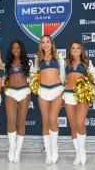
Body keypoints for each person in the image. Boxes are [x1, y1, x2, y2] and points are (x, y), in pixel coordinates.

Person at [62, 41, 95, 165]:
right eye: (73, 48)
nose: (76, 50)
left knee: (79, 122)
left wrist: (86, 86)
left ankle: (82, 151)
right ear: (70, 50)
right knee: (73, 125)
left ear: (82, 50)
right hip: (68, 94)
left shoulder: (87, 63)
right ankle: (77, 154)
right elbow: (61, 80)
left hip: (82, 95)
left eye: (78, 48)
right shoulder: (65, 63)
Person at [32, 35, 65, 164]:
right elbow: (34, 74)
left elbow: (62, 73)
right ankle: (48, 153)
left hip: (57, 90)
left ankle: (55, 149)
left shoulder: (58, 57)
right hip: (43, 91)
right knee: (45, 121)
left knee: (52, 119)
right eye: (43, 42)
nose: (45, 44)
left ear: (52, 44)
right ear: (41, 45)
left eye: (48, 42)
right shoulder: (37, 59)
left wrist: (60, 87)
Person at [4, 40, 32, 163]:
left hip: (24, 92)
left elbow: (33, 78)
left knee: (21, 121)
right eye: (13, 48)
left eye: (18, 48)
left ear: (22, 49)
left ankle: (18, 151)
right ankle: (12, 147)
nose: (15, 50)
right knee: (11, 120)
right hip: (10, 92)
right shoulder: (6, 63)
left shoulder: (28, 62)